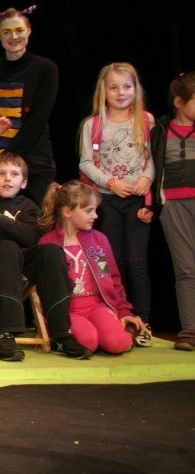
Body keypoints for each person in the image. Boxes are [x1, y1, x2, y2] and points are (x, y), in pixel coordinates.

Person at [0, 117, 92, 360]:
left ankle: (61, 334)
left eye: (14, 174)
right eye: (1, 174)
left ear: (24, 181)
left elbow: (31, 237)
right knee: (7, 247)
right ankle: (7, 333)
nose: (8, 179)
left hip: (19, 261)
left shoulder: (27, 206)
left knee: (51, 251)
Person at [78, 62, 154, 324]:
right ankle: (119, 313)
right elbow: (86, 162)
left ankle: (143, 319)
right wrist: (111, 183)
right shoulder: (93, 124)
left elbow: (152, 158)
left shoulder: (146, 120)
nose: (121, 93)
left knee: (136, 261)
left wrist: (146, 178)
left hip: (137, 201)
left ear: (135, 88)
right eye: (114, 88)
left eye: (127, 86)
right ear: (104, 90)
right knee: (113, 261)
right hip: (107, 200)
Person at [38, 181, 146, 355]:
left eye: (95, 210)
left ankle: (115, 333)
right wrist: (46, 320)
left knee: (117, 343)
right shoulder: (47, 243)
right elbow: (43, 289)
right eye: (89, 211)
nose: (95, 215)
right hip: (69, 311)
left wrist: (123, 311)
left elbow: (113, 278)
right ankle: (71, 338)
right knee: (88, 342)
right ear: (67, 212)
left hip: (97, 306)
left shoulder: (98, 239)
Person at [0, 6, 58, 204]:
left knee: (35, 217)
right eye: (6, 31)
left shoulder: (45, 69)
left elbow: (37, 121)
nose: (14, 36)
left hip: (33, 162)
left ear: (28, 31)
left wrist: (5, 158)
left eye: (19, 30)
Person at [150, 71, 195, 351]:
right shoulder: (160, 130)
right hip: (174, 206)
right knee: (186, 269)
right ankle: (189, 331)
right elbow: (152, 168)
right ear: (179, 102)